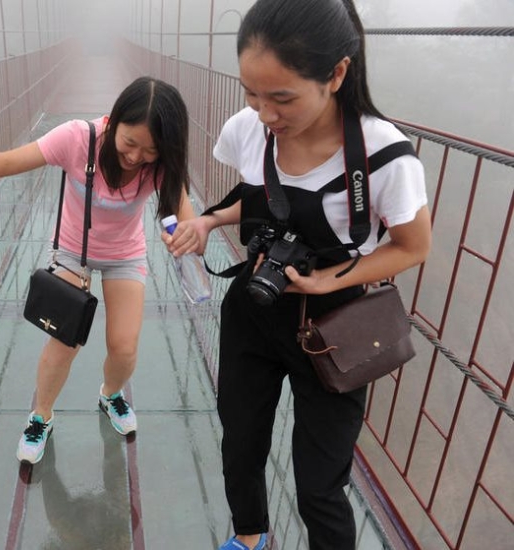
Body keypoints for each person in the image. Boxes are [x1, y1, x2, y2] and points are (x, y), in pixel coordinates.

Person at [162, 1, 432, 549]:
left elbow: (413, 246)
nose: (264, 113)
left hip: (337, 327)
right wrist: (212, 219)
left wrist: (329, 280)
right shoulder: (249, 130)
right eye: (251, 93)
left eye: (281, 98)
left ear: (336, 74)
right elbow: (261, 197)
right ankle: (250, 537)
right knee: (240, 443)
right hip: (255, 310)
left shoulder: (384, 155)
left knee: (319, 485)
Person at [0, 76, 194, 464]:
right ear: (113, 121)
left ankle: (110, 394)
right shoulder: (78, 138)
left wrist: (188, 233)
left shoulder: (161, 164)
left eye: (149, 151)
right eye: (130, 143)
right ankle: (40, 417)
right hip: (73, 249)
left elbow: (184, 214)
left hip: (124, 254)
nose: (135, 157)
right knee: (65, 341)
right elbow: (7, 161)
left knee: (124, 346)